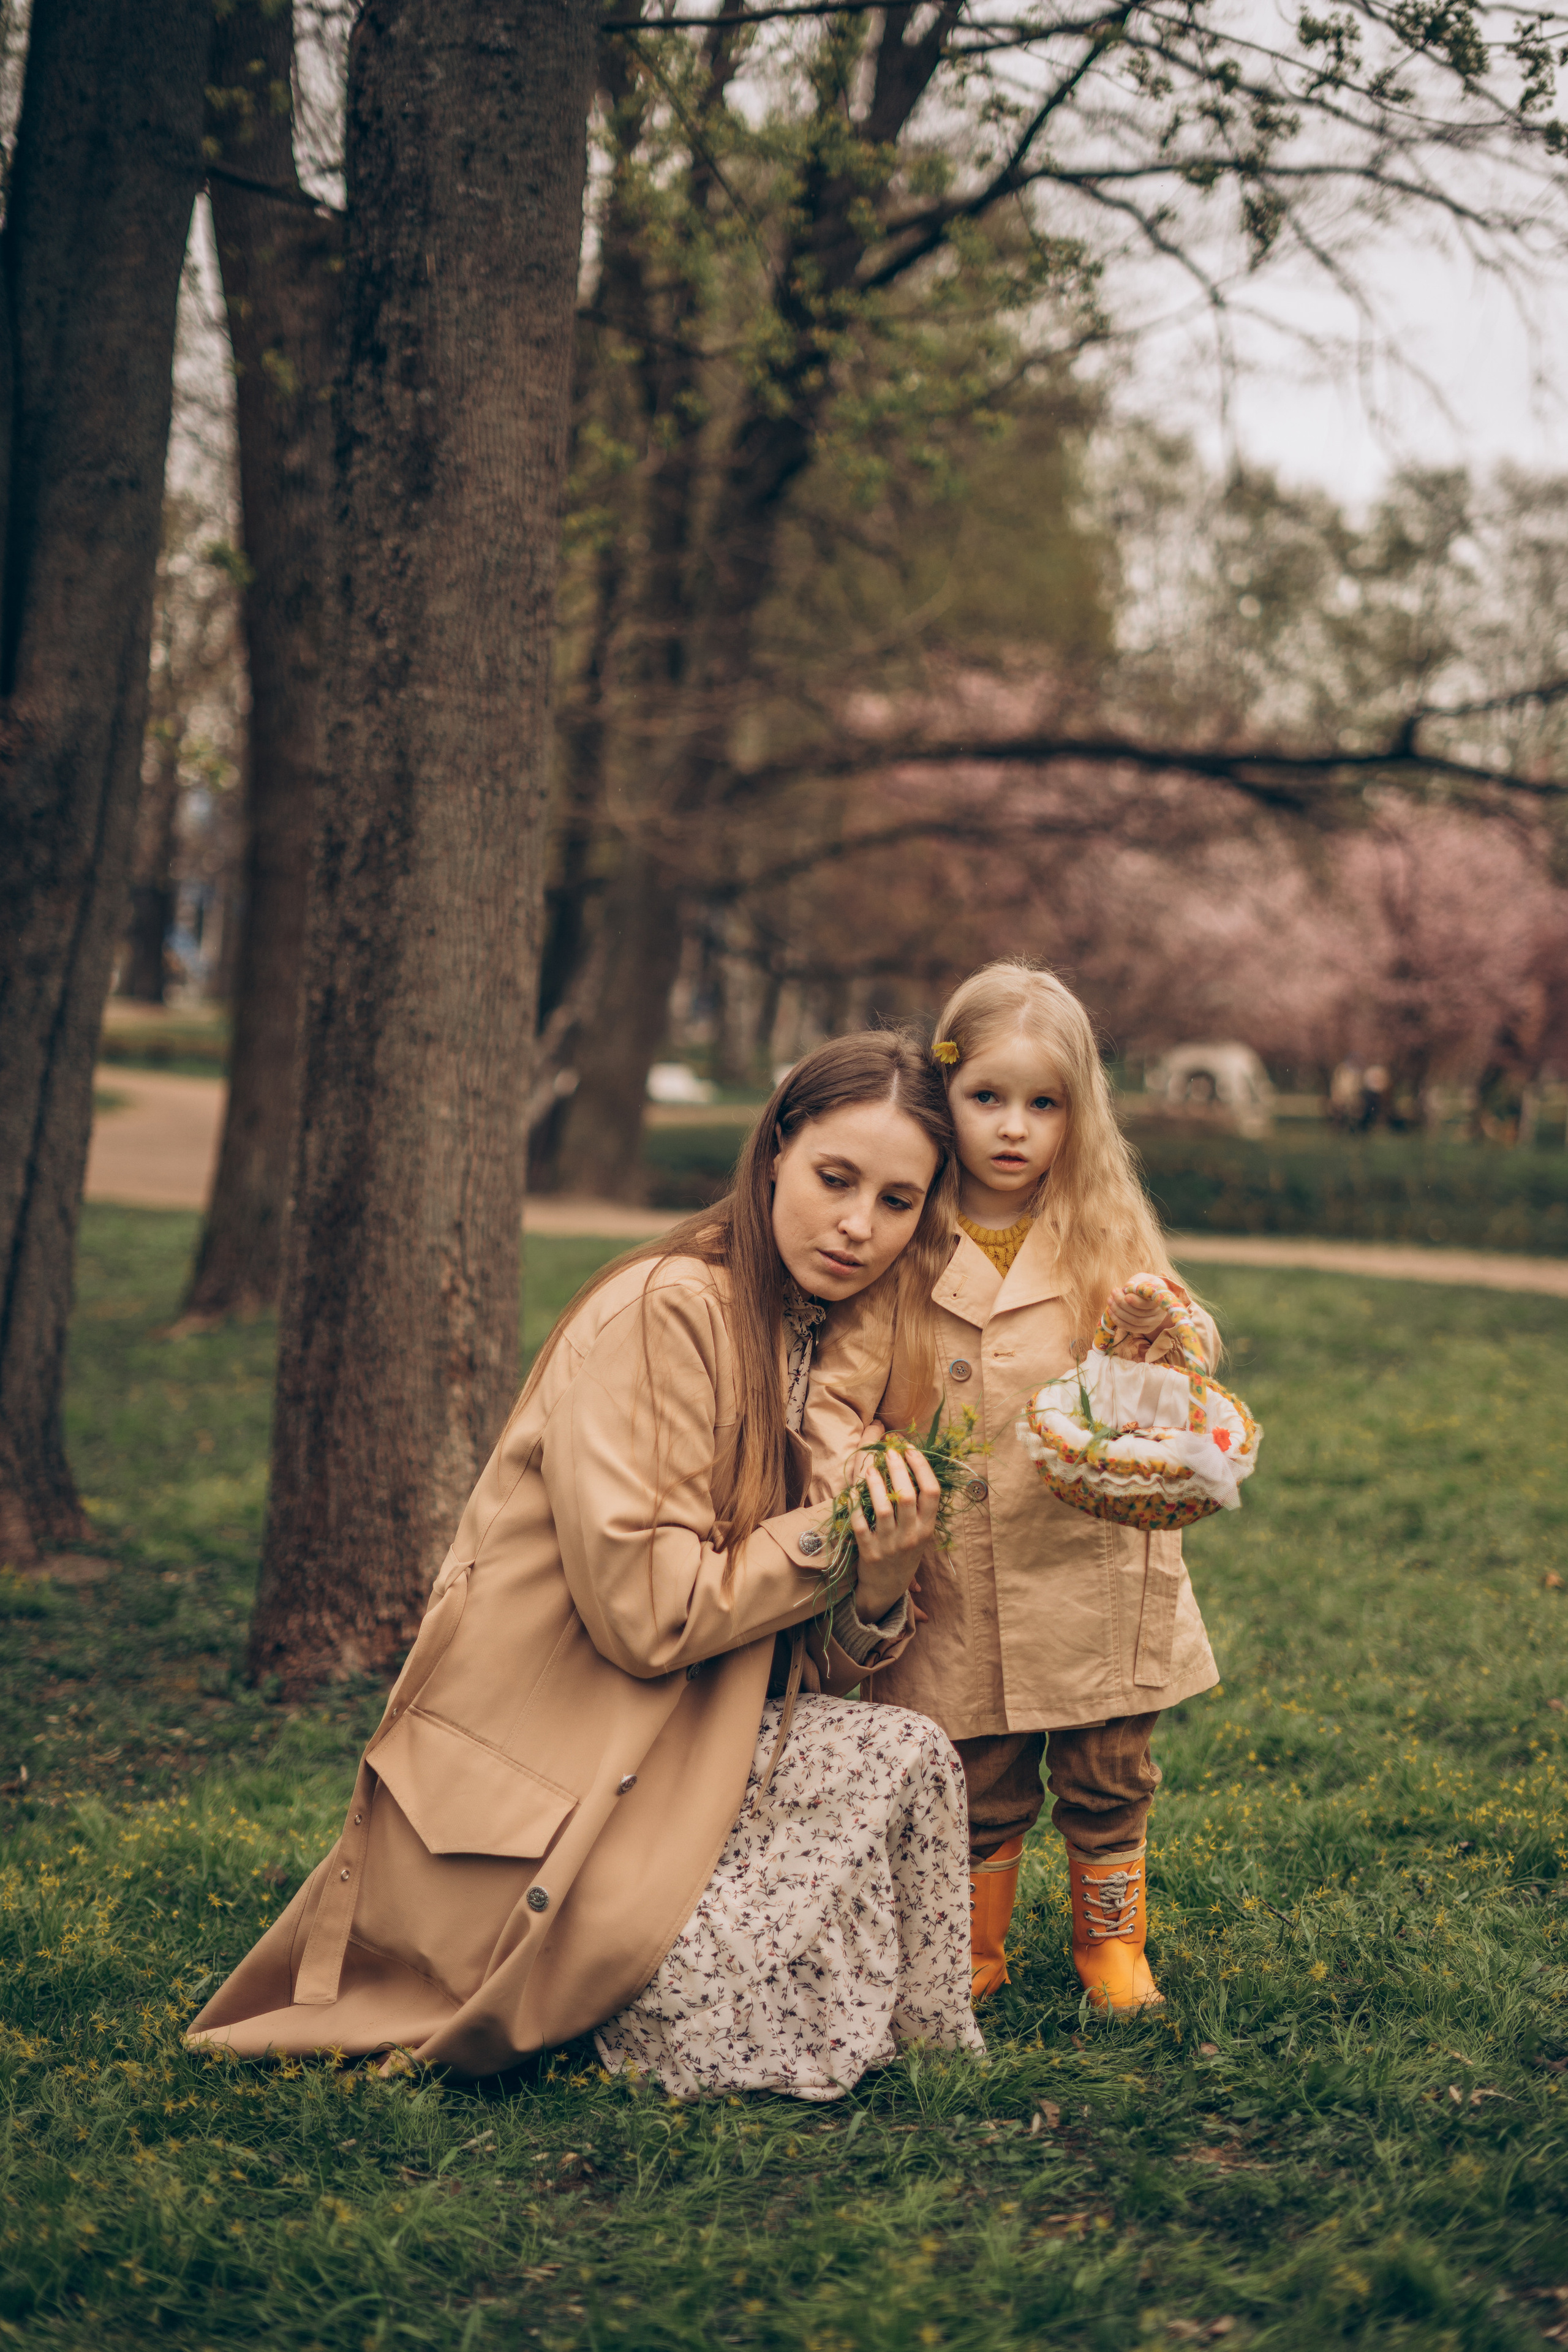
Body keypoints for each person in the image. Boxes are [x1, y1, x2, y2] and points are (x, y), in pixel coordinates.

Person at [187, 1032, 985, 2097]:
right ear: (774, 1154)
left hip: (679, 1755)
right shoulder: (670, 1309)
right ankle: (643, 1994)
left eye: (897, 1203)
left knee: (905, 1754)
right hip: (553, 1794)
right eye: (835, 1179)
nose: (858, 1226)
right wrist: (832, 1531)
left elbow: (778, 1651)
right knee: (712, 2015)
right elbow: (649, 1619)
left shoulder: (806, 1334)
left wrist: (877, 1581)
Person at [804, 964, 1220, 2016]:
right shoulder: (903, 1238)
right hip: (958, 1573)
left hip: (1090, 1560)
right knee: (974, 1777)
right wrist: (863, 1475)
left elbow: (1182, 1347)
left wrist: (1158, 1330)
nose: (1014, 1129)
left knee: (1108, 1768)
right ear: (945, 1095)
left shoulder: (1102, 1232)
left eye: (1045, 1105)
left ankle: (1111, 1950)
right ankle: (971, 1952)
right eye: (988, 1097)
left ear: (1079, 1115)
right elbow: (836, 1396)